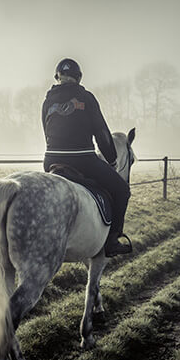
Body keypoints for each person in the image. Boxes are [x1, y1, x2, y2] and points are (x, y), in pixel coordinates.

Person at [42, 58, 132, 257]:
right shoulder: (87, 98)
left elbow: (45, 131)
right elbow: (101, 133)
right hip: (82, 159)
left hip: (50, 160)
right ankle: (112, 240)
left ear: (57, 77)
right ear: (79, 78)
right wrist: (111, 160)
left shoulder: (47, 100)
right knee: (121, 190)